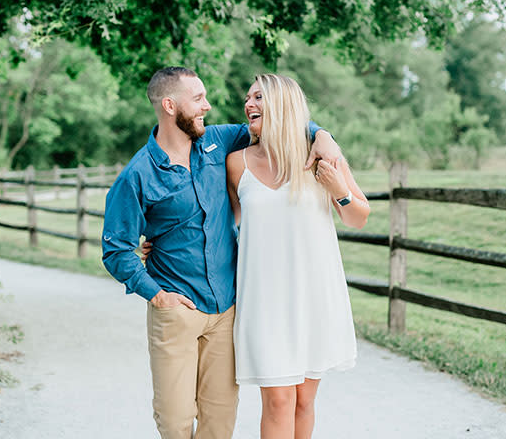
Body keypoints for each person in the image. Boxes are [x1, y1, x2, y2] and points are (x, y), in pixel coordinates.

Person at [101, 67, 340, 439]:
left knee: (219, 423)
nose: (207, 106)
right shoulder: (137, 175)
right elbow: (116, 250)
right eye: (197, 99)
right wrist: (156, 294)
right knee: (176, 421)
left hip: (227, 309)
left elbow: (283, 119)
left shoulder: (218, 143)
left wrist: (322, 135)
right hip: (176, 309)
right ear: (169, 105)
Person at [225, 73, 370, 439]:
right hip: (264, 301)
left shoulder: (322, 156)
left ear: (283, 104)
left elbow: (358, 217)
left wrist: (339, 189)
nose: (249, 104)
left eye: (258, 97)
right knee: (277, 402)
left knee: (304, 401)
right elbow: (221, 227)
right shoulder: (236, 164)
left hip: (315, 296)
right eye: (248, 98)